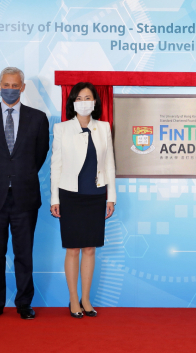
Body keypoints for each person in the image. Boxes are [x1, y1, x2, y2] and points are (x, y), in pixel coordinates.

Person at [0, 67, 50, 321]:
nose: (10, 89)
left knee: (24, 253)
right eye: (6, 84)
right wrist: (0, 176)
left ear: (23, 87)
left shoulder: (38, 118)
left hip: (25, 196)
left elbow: (39, 156)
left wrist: (18, 176)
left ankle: (24, 303)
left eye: (15, 85)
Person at [50, 82, 116, 319]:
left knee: (90, 248)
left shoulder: (104, 127)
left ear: (95, 102)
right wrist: (54, 199)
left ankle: (86, 299)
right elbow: (55, 165)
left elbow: (109, 163)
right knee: (73, 249)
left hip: (96, 195)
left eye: (88, 97)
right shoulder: (62, 128)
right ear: (73, 102)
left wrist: (111, 198)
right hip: (70, 195)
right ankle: (72, 299)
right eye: (79, 97)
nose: (84, 101)